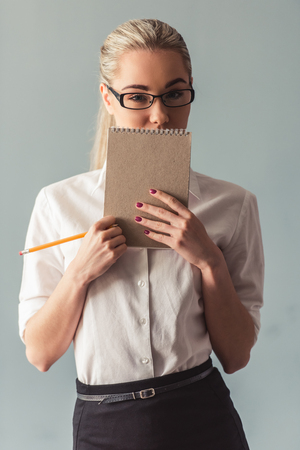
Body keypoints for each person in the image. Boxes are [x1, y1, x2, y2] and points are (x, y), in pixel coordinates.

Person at [19, 19, 264, 450]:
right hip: (104, 426)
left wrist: (208, 258)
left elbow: (237, 355)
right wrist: (78, 273)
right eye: (137, 97)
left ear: (191, 91)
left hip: (203, 419)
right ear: (107, 98)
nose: (159, 116)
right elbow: (40, 354)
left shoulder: (233, 205)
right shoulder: (57, 204)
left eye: (174, 94)